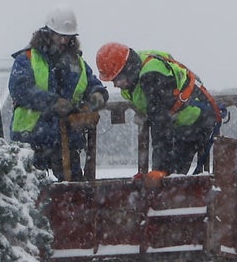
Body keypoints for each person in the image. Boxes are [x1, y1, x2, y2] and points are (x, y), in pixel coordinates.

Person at [8, 5, 108, 179]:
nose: (63, 41)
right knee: (32, 192)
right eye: (59, 36)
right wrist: (52, 103)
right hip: (31, 139)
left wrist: (95, 100)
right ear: (47, 33)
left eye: (67, 37)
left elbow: (95, 87)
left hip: (67, 141)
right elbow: (20, 88)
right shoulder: (27, 59)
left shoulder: (78, 64)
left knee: (75, 193)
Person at [94, 42, 221, 175]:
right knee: (169, 177)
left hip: (196, 120)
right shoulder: (137, 68)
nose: (115, 85)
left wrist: (158, 170)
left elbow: (160, 124)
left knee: (173, 178)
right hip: (180, 121)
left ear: (127, 69)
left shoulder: (152, 77)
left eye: (117, 79)